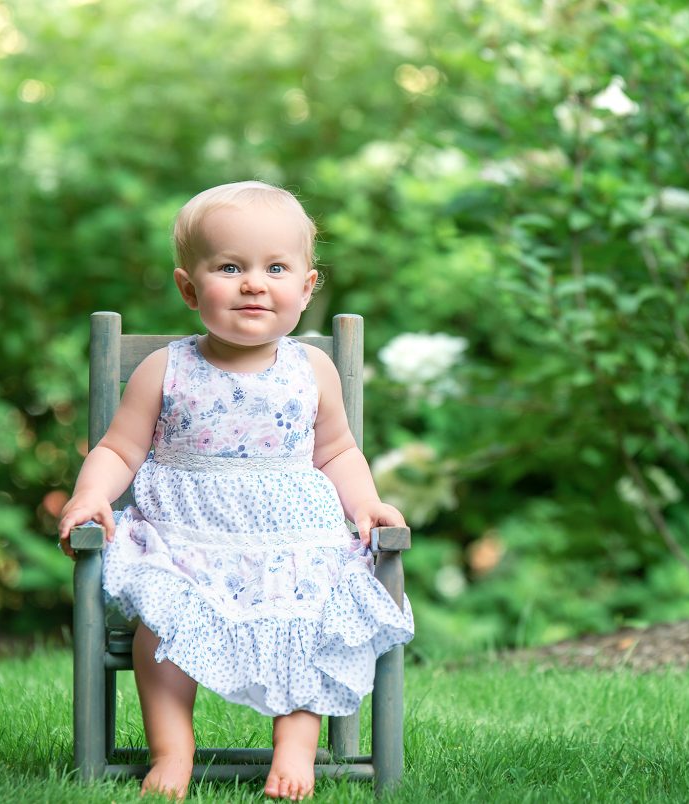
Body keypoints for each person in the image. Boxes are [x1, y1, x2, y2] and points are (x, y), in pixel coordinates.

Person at [58, 180, 414, 801]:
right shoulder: (165, 368)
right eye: (230, 267)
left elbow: (336, 451)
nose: (254, 283)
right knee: (160, 628)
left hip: (291, 545)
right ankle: (173, 750)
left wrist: (366, 503)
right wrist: (90, 497)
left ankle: (296, 749)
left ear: (305, 289)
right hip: (188, 542)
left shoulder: (313, 370)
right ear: (190, 288)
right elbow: (119, 449)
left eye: (276, 268)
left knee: (310, 623)